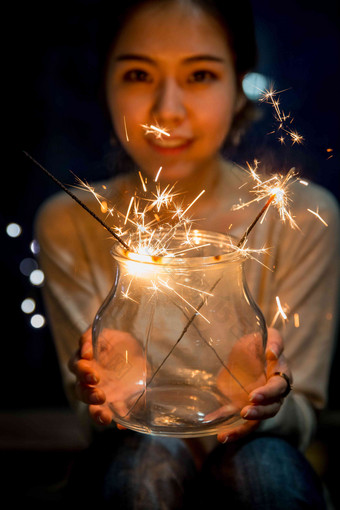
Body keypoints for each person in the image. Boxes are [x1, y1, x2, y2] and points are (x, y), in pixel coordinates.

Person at [35, 0, 339, 508]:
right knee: (140, 466)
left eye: (200, 74)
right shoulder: (69, 222)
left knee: (263, 467)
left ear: (240, 82)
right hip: (127, 472)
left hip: (265, 471)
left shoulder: (303, 217)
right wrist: (108, 383)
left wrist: (266, 402)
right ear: (104, 85)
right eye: (138, 73)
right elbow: (104, 421)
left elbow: (302, 415)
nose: (168, 110)